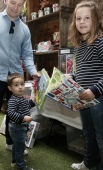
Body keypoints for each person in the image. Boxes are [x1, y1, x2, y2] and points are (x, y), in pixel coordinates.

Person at [0, 0, 40, 162]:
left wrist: (33, 72)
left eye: (20, 4)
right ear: (5, 1)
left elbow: (27, 55)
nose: (16, 7)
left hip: (16, 78)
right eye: (13, 2)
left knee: (16, 111)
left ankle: (10, 142)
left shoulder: (24, 29)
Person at [68, 1, 103, 169]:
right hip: (83, 97)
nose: (82, 22)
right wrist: (71, 78)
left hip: (98, 98)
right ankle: (89, 163)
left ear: (95, 19)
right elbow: (82, 70)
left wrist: (95, 90)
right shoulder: (78, 46)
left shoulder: (100, 42)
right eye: (78, 18)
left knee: (101, 136)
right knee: (88, 134)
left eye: (87, 18)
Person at [7, 73, 35, 170]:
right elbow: (10, 112)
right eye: (16, 85)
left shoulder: (21, 98)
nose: (20, 87)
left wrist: (33, 102)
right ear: (10, 88)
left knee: (17, 145)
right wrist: (23, 118)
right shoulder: (13, 100)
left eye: (22, 84)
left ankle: (15, 161)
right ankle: (21, 166)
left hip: (21, 126)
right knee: (20, 148)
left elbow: (26, 106)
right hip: (17, 127)